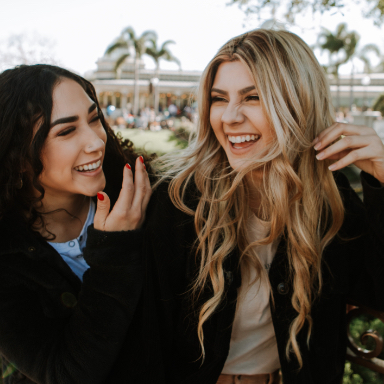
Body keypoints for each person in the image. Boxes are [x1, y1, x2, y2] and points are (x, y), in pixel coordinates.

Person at [133, 29, 384, 384]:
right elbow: (148, 338)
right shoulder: (180, 201)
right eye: (219, 99)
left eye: (252, 97)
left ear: (297, 103)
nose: (230, 117)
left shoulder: (329, 195)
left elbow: (375, 290)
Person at [0, 64, 151, 383]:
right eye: (66, 131)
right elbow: (63, 372)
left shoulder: (143, 195)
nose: (97, 141)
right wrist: (116, 252)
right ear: (16, 149)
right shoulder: (7, 257)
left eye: (94, 119)